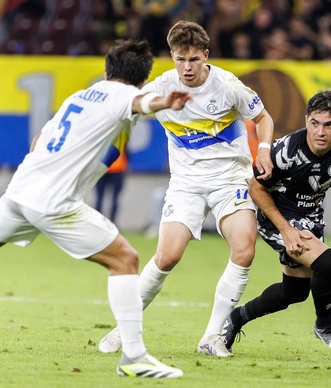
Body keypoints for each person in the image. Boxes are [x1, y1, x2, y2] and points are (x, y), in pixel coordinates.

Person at [0, 39, 192, 379]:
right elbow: (142, 102)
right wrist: (165, 101)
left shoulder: (81, 97)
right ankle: (134, 356)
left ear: (106, 70)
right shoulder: (123, 96)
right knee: (125, 260)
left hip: (22, 188)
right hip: (54, 201)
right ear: (140, 80)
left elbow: (39, 140)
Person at [98, 20, 275, 358]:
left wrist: (263, 150)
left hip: (231, 180)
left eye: (194, 59)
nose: (187, 67)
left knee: (244, 250)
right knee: (167, 256)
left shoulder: (227, 86)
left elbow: (263, 118)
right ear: (172, 57)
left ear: (205, 56)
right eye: (180, 59)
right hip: (186, 184)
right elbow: (124, 111)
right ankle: (124, 329)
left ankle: (212, 337)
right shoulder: (161, 89)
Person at [222, 89, 331, 354]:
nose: (320, 132)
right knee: (326, 262)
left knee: (295, 291)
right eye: (314, 123)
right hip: (273, 215)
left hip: (309, 217)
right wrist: (286, 230)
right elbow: (256, 188)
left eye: (329, 125)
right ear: (306, 120)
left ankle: (237, 317)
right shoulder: (286, 150)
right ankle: (325, 325)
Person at [95, 150, 128, 223]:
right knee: (101, 198)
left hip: (114, 168)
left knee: (111, 198)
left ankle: (107, 222)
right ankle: (101, 222)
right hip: (106, 168)